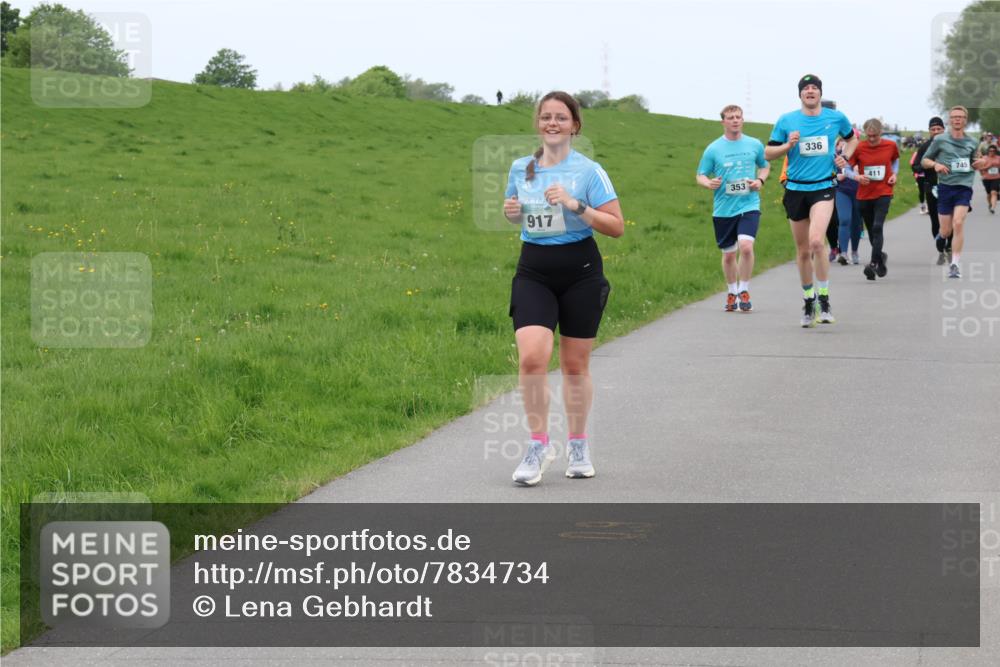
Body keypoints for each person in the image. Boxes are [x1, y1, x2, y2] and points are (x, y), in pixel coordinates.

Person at [503, 91, 624, 485]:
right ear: (538, 123)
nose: (552, 123)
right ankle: (538, 444)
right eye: (545, 117)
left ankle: (578, 444)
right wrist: (513, 213)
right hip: (533, 271)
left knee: (574, 366)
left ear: (574, 125)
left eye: (560, 117)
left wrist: (576, 206)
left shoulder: (590, 171)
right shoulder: (521, 168)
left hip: (581, 272)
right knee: (533, 359)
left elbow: (616, 226)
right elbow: (520, 215)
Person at [766, 74, 856, 327]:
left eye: (814, 88)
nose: (810, 91)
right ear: (800, 95)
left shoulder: (835, 118)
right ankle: (808, 299)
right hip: (795, 190)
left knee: (817, 242)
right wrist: (787, 145)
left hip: (824, 188)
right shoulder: (787, 120)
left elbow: (852, 139)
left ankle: (824, 298)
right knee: (803, 250)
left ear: (820, 94)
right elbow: (768, 152)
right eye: (806, 88)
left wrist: (845, 157)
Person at [696, 104, 770, 312]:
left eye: (738, 117)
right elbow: (700, 174)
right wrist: (707, 183)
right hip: (723, 209)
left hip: (749, 204)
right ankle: (731, 291)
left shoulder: (754, 144)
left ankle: (744, 290)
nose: (735, 120)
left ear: (743, 120)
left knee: (746, 247)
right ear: (723, 122)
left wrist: (760, 181)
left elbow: (765, 165)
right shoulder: (713, 149)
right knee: (729, 254)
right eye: (730, 117)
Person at [921, 106, 992, 279]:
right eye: (954, 117)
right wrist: (935, 165)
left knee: (958, 223)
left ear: (965, 120)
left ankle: (954, 264)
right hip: (945, 187)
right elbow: (924, 160)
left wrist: (981, 162)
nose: (957, 120)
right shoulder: (939, 140)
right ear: (950, 120)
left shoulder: (972, 141)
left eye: (960, 117)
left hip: (964, 187)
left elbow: (977, 160)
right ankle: (941, 237)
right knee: (945, 231)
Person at [851, 118, 900, 281]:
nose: (871, 139)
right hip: (864, 195)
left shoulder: (890, 145)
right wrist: (857, 176)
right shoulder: (859, 147)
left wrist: (894, 174)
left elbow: (895, 161)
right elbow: (847, 166)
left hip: (883, 192)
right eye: (869, 136)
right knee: (872, 230)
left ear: (881, 133)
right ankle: (880, 257)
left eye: (875, 136)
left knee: (878, 227)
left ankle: (873, 263)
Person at [913, 116, 950, 264]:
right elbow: (915, 165)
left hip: (950, 187)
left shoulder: (951, 144)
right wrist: (930, 165)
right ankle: (940, 249)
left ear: (943, 129)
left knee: (951, 219)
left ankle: (949, 247)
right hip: (931, 188)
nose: (936, 131)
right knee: (935, 220)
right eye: (933, 129)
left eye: (938, 129)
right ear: (929, 131)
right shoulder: (924, 147)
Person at [834, 135, 863, 265]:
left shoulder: (862, 154)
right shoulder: (837, 154)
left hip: (859, 191)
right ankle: (844, 253)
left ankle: (855, 251)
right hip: (842, 191)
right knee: (844, 220)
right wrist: (836, 177)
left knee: (856, 223)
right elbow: (829, 173)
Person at [980, 144, 999, 214]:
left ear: (995, 151)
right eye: (990, 151)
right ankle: (990, 204)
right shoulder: (984, 158)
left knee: (994, 192)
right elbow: (980, 168)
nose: (992, 152)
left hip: (996, 178)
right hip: (986, 178)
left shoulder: (998, 158)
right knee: (988, 194)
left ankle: (993, 208)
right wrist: (987, 167)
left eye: (993, 151)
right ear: (988, 151)